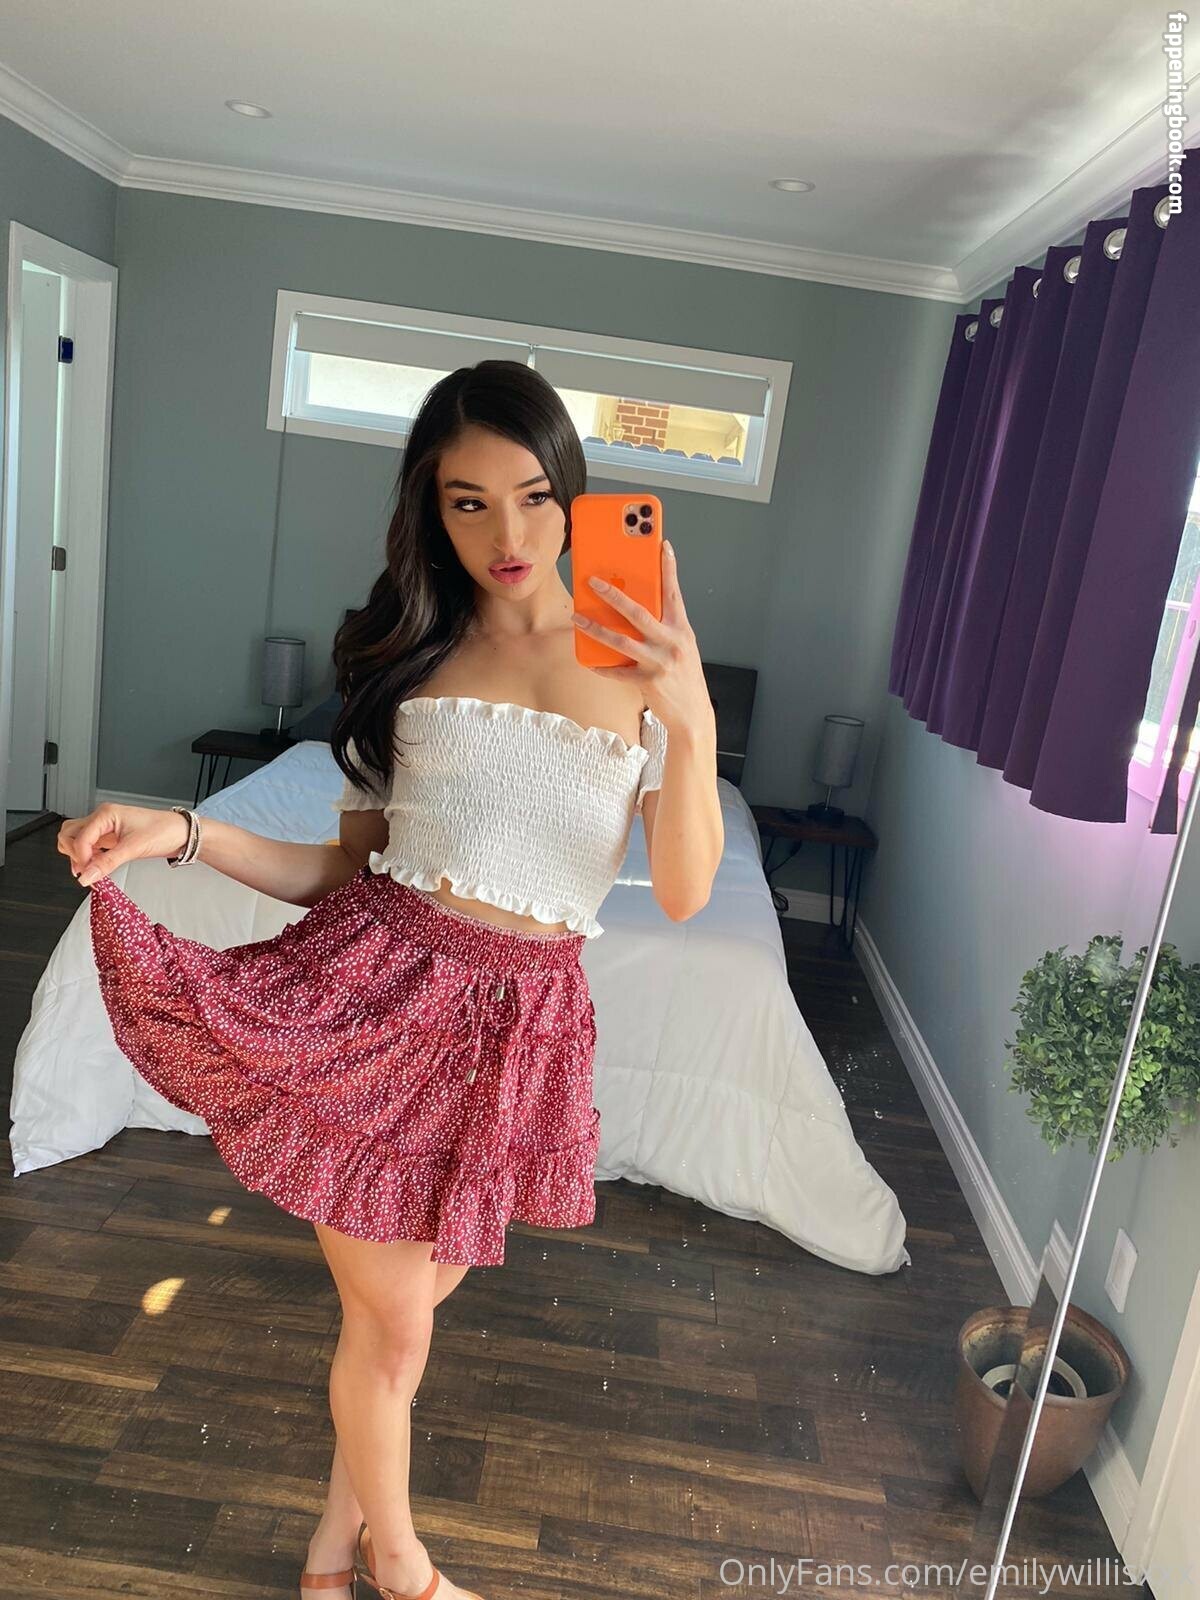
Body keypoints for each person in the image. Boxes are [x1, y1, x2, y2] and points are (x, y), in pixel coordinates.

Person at [57, 361, 723, 1600]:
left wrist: (693, 721)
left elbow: (684, 888)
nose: (506, 533)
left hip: (517, 1032)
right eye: (469, 503)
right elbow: (343, 872)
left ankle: (331, 1552)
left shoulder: (641, 665)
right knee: (396, 1326)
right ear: (432, 509)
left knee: (392, 1331)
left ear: (574, 494)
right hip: (374, 1003)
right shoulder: (412, 658)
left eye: (532, 496)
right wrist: (183, 831)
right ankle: (406, 1569)